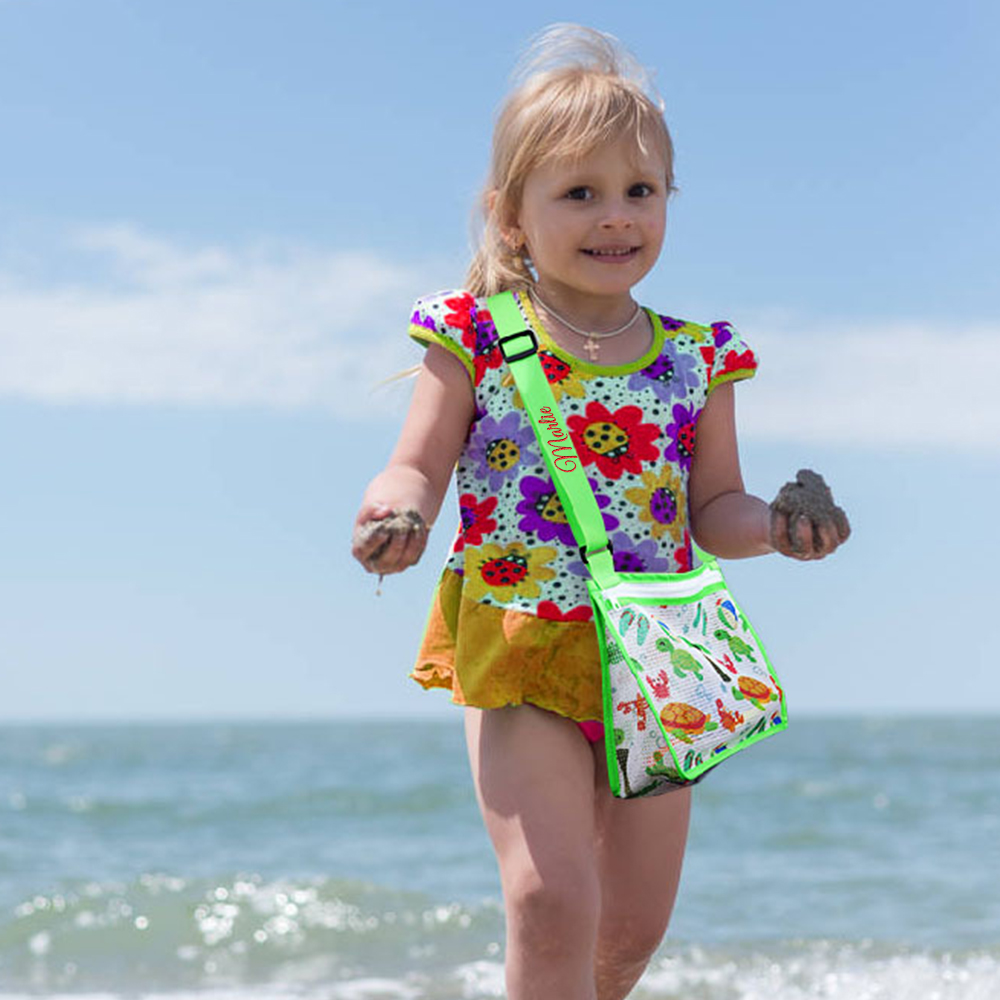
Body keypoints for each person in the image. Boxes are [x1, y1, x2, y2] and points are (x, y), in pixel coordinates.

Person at [351, 23, 850, 1000]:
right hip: (525, 635)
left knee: (625, 933)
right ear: (510, 217)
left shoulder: (696, 358)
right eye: (579, 192)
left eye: (640, 191)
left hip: (659, 655)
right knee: (549, 903)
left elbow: (713, 509)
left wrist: (781, 528)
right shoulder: (479, 336)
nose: (614, 216)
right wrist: (394, 512)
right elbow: (412, 464)